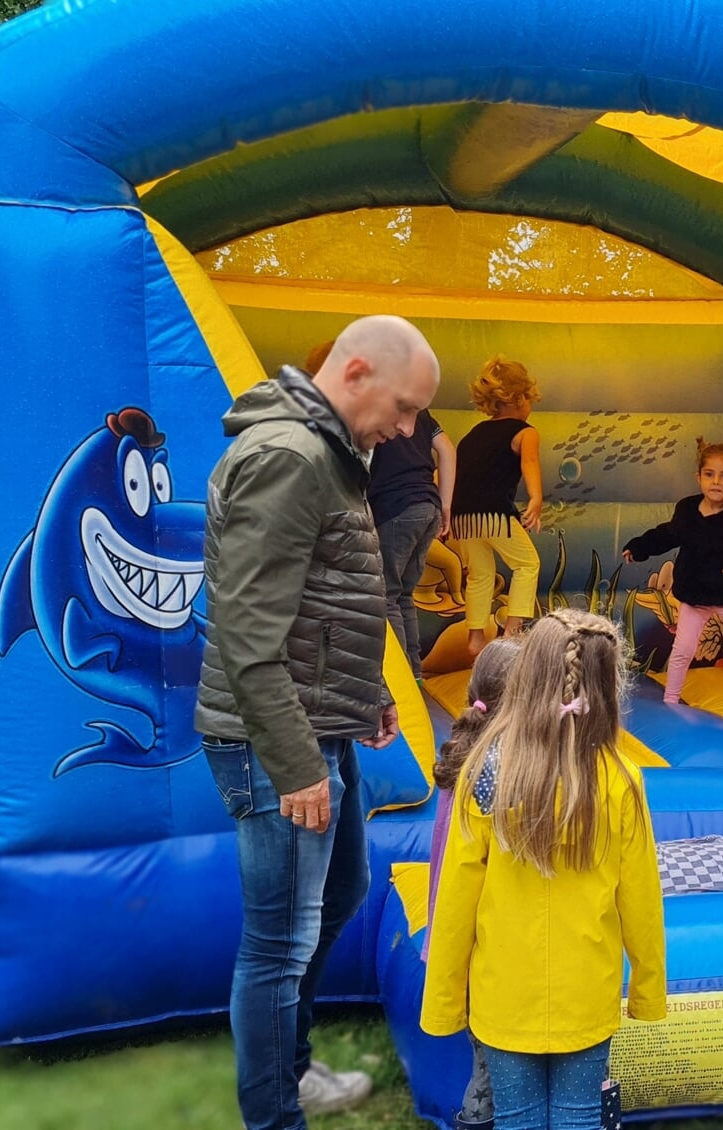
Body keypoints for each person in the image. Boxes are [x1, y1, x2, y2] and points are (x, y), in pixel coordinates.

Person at [196, 315, 441, 1129]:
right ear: (358, 371)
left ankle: (290, 1073)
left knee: (340, 895)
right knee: (279, 942)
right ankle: (276, 1113)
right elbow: (247, 634)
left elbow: (321, 599)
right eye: (405, 409)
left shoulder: (333, 454)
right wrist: (298, 764)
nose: (408, 430)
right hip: (274, 742)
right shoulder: (290, 458)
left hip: (314, 722)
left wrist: (361, 691)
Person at [422, 610, 667, 1130]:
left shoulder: (486, 773)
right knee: (580, 1119)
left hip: (503, 996)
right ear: (607, 688)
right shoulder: (622, 778)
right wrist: (647, 988)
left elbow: (455, 896)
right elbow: (641, 898)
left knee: (517, 1119)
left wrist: (444, 999)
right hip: (587, 995)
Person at [425, 637, 521, 1130]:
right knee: (492, 1071)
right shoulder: (491, 771)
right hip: (478, 942)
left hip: (454, 932)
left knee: (487, 1063)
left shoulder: (464, 753)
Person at [621, 441, 723, 708]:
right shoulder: (687, 510)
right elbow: (666, 535)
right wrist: (639, 547)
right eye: (709, 474)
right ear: (698, 477)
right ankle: (670, 699)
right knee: (682, 650)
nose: (716, 482)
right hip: (694, 595)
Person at [448, 358, 544, 657]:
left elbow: (459, 473)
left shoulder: (472, 434)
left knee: (480, 575)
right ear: (518, 398)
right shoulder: (526, 432)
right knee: (527, 564)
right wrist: (536, 498)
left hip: (463, 515)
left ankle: (476, 638)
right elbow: (529, 462)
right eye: (529, 398)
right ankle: (512, 632)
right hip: (493, 513)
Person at [368, 390, 458, 672]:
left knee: (388, 595)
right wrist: (445, 504)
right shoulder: (415, 406)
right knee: (405, 595)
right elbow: (447, 449)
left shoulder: (370, 404)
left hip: (395, 507)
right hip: (428, 506)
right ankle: (415, 673)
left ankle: (402, 677)